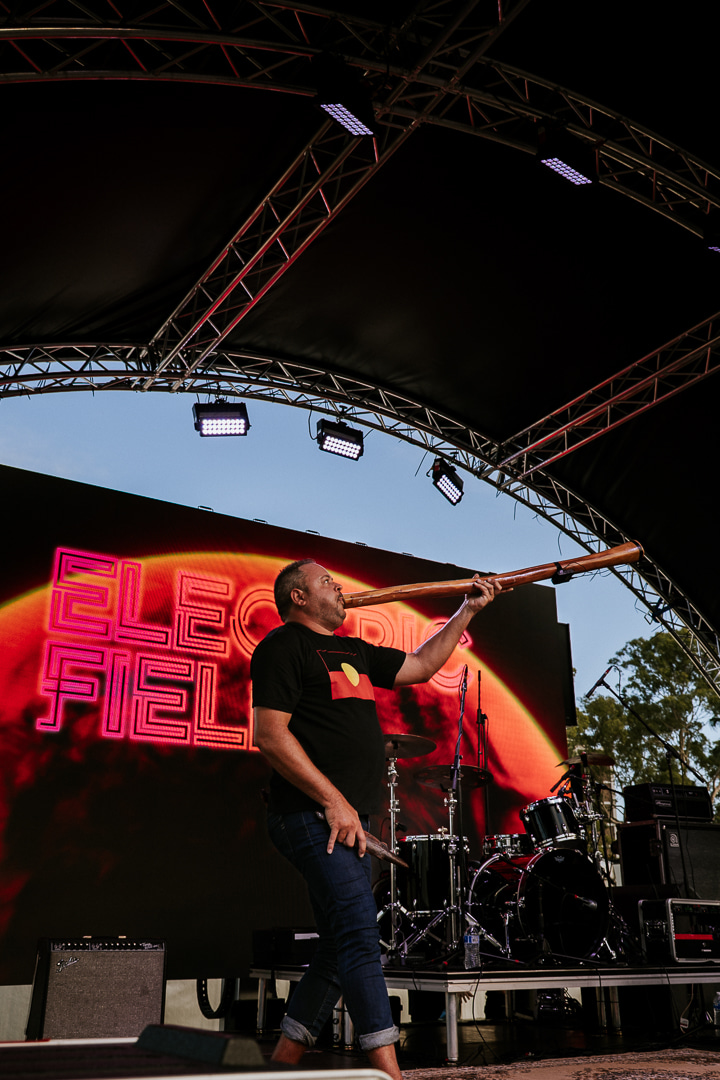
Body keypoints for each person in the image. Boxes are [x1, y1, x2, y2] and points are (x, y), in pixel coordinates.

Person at [252, 558, 501, 1080]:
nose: (339, 588)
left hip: (342, 819)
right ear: (298, 597)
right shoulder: (282, 646)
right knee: (362, 935)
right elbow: (271, 735)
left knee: (338, 946)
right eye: (326, 583)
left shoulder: (353, 650)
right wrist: (333, 801)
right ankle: (390, 1074)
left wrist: (467, 610)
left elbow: (420, 666)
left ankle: (281, 1066)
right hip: (308, 814)